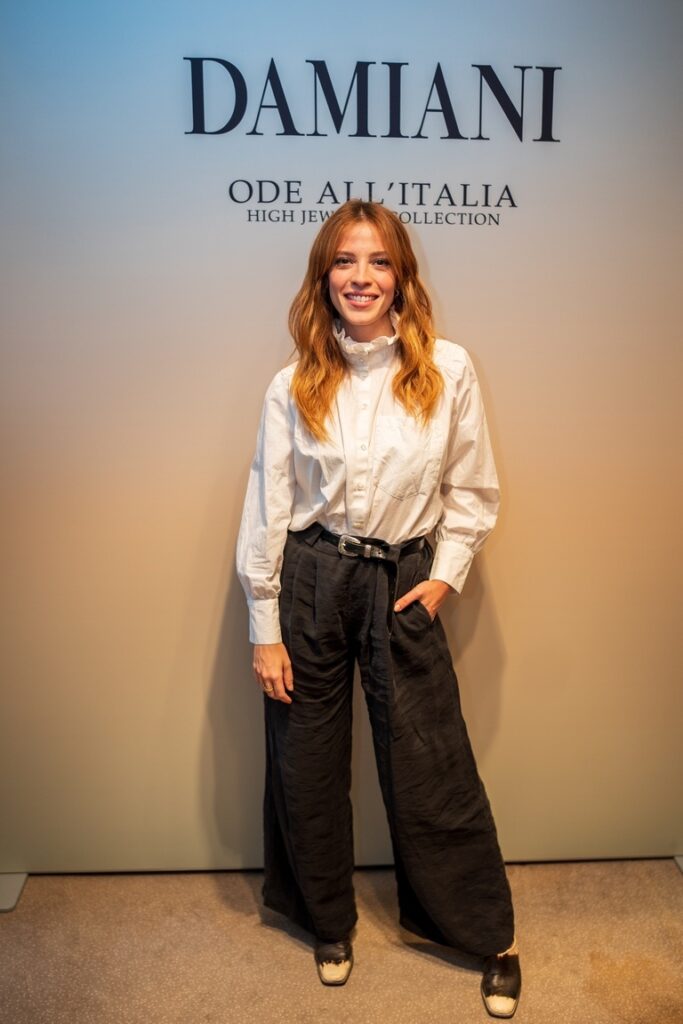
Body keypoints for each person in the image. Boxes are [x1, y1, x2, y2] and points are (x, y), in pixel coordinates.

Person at [236, 199, 521, 1018]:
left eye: (378, 261)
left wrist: (446, 575)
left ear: (401, 277)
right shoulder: (293, 383)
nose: (360, 277)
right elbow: (268, 504)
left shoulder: (448, 369)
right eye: (344, 261)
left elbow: (472, 489)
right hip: (312, 575)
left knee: (431, 761)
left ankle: (483, 935)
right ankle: (327, 922)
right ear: (323, 277)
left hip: (402, 578)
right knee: (306, 759)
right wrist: (265, 626)